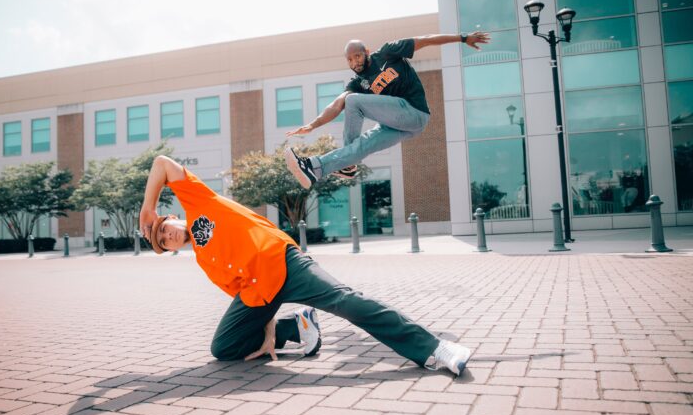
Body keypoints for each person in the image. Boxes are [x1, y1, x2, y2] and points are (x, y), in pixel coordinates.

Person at [139, 155, 472, 375]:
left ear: (174, 218)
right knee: (223, 347)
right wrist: (269, 330)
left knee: (345, 300)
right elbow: (247, 293)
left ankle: (437, 348)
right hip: (262, 292)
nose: (166, 234)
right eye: (162, 240)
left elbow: (162, 164)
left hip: (284, 262)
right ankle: (297, 327)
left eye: (165, 228)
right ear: (169, 249)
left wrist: (148, 207)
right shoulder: (204, 260)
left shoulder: (200, 202)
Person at [284, 32, 490, 188]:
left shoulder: (388, 53)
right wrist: (312, 125)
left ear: (366, 52)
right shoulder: (358, 83)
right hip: (401, 127)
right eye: (349, 60)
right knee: (361, 144)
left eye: (357, 56)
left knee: (354, 102)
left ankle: (348, 163)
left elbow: (425, 40)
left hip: (415, 112)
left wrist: (463, 38)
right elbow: (337, 104)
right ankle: (316, 168)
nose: (354, 62)